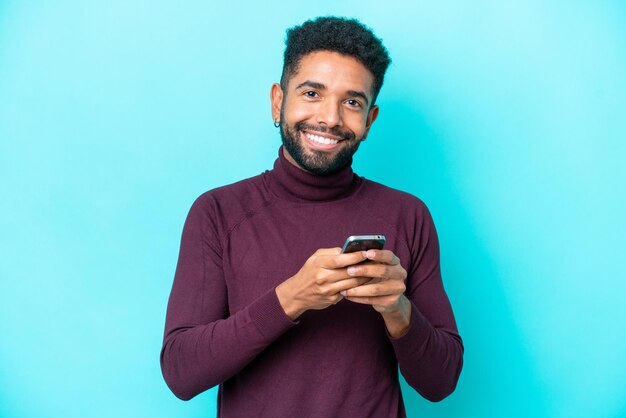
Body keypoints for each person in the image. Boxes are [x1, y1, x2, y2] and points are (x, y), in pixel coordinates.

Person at [160, 16, 463, 417]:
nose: (330, 118)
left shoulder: (407, 215)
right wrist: (292, 298)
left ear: (369, 121)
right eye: (312, 93)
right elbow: (181, 373)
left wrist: (397, 307)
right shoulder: (218, 213)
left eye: (352, 102)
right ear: (277, 101)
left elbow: (441, 383)